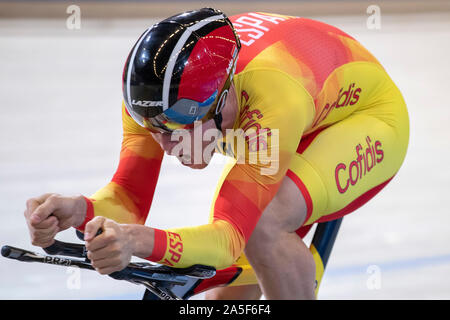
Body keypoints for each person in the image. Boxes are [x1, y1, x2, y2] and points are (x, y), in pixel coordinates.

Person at [23, 8, 409, 300]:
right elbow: (128, 198)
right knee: (227, 291)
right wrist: (82, 210)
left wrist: (137, 241)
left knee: (261, 228)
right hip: (299, 107)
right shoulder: (157, 101)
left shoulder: (274, 101)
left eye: (176, 128)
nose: (165, 144)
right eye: (152, 129)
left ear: (219, 100)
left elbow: (229, 238)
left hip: (362, 120)